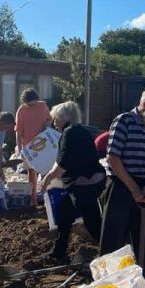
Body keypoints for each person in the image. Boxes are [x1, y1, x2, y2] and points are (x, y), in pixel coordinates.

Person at [100, 87, 145, 280]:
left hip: (143, 185)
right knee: (113, 239)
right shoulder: (124, 121)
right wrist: (134, 189)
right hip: (120, 184)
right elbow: (113, 158)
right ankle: (108, 283)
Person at [40, 101, 106, 265]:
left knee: (93, 223)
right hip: (89, 180)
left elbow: (63, 162)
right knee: (64, 214)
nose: (54, 123)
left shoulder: (69, 133)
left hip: (84, 184)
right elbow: (62, 159)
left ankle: (112, 253)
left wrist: (48, 179)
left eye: (56, 119)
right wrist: (50, 175)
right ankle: (59, 252)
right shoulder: (79, 131)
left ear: (65, 117)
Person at [14, 89, 51, 207]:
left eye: (33, 103)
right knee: (32, 172)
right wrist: (19, 147)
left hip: (43, 144)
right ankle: (33, 199)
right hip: (28, 147)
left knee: (47, 170)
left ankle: (48, 198)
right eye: (28, 104)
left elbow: (49, 121)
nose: (31, 106)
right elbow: (18, 131)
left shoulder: (43, 106)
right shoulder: (22, 110)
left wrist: (47, 126)